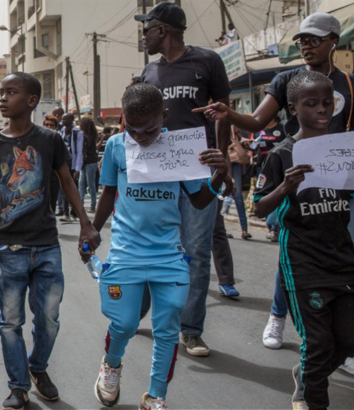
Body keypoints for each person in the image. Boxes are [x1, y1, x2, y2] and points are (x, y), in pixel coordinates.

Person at [194, 13, 354, 372]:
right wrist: (229, 114)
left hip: (340, 186)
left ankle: (343, 346)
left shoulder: (352, 83)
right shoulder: (286, 80)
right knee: (295, 253)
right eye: (301, 40)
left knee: (344, 255)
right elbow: (257, 121)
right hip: (297, 181)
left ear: (334, 41)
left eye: (314, 40)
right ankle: (278, 315)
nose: (305, 46)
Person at [92, 83, 227, 410]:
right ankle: (111, 364)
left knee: (167, 331)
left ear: (164, 116)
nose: (140, 137)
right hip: (125, 252)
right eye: (133, 129)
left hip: (168, 256)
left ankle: (155, 396)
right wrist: (91, 230)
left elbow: (199, 200)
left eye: (149, 129)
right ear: (124, 121)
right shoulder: (115, 146)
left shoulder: (181, 148)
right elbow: (108, 192)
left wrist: (220, 174)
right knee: (124, 323)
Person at [0, 72, 100, 410]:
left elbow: (67, 181)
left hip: (46, 246)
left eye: (10, 92)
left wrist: (86, 223)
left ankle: (38, 367)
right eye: (1, 92)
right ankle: (18, 386)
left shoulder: (50, 139)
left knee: (49, 319)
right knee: (10, 321)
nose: (3, 98)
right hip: (8, 247)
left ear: (31, 101)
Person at [253, 71, 354, 410]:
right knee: (318, 343)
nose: (322, 109)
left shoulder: (344, 150)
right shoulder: (282, 154)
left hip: (343, 259)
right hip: (303, 264)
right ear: (293, 108)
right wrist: (285, 188)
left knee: (349, 338)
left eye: (328, 102)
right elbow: (259, 206)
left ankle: (309, 374)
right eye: (312, 103)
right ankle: (313, 399)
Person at [135, 1, 233, 356]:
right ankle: (138, 310)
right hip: (157, 178)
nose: (143, 36)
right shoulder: (149, 72)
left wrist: (223, 162)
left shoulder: (207, 61)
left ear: (162, 30)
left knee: (196, 251)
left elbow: (223, 113)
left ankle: (190, 330)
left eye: (146, 29)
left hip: (197, 174)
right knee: (153, 248)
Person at [59, 113, 81, 222]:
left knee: (73, 188)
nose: (62, 120)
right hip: (64, 163)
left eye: (65, 118)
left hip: (73, 164)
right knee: (64, 188)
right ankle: (66, 213)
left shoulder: (78, 133)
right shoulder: (61, 131)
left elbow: (79, 152)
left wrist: (77, 169)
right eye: (62, 118)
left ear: (71, 120)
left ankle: (74, 212)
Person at [78, 117, 100, 212]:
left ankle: (92, 206)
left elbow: (87, 148)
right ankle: (81, 204)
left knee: (90, 184)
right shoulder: (86, 135)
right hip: (85, 162)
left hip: (90, 162)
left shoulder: (90, 136)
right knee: (81, 183)